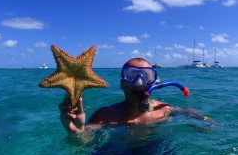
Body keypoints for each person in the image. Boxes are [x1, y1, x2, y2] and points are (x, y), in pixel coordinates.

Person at [59, 58, 211, 134]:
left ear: (155, 83)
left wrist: (203, 120)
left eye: (146, 76)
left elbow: (187, 112)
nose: (139, 83)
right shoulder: (104, 116)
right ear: (121, 84)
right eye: (131, 76)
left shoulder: (165, 110)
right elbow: (83, 144)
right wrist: (77, 131)